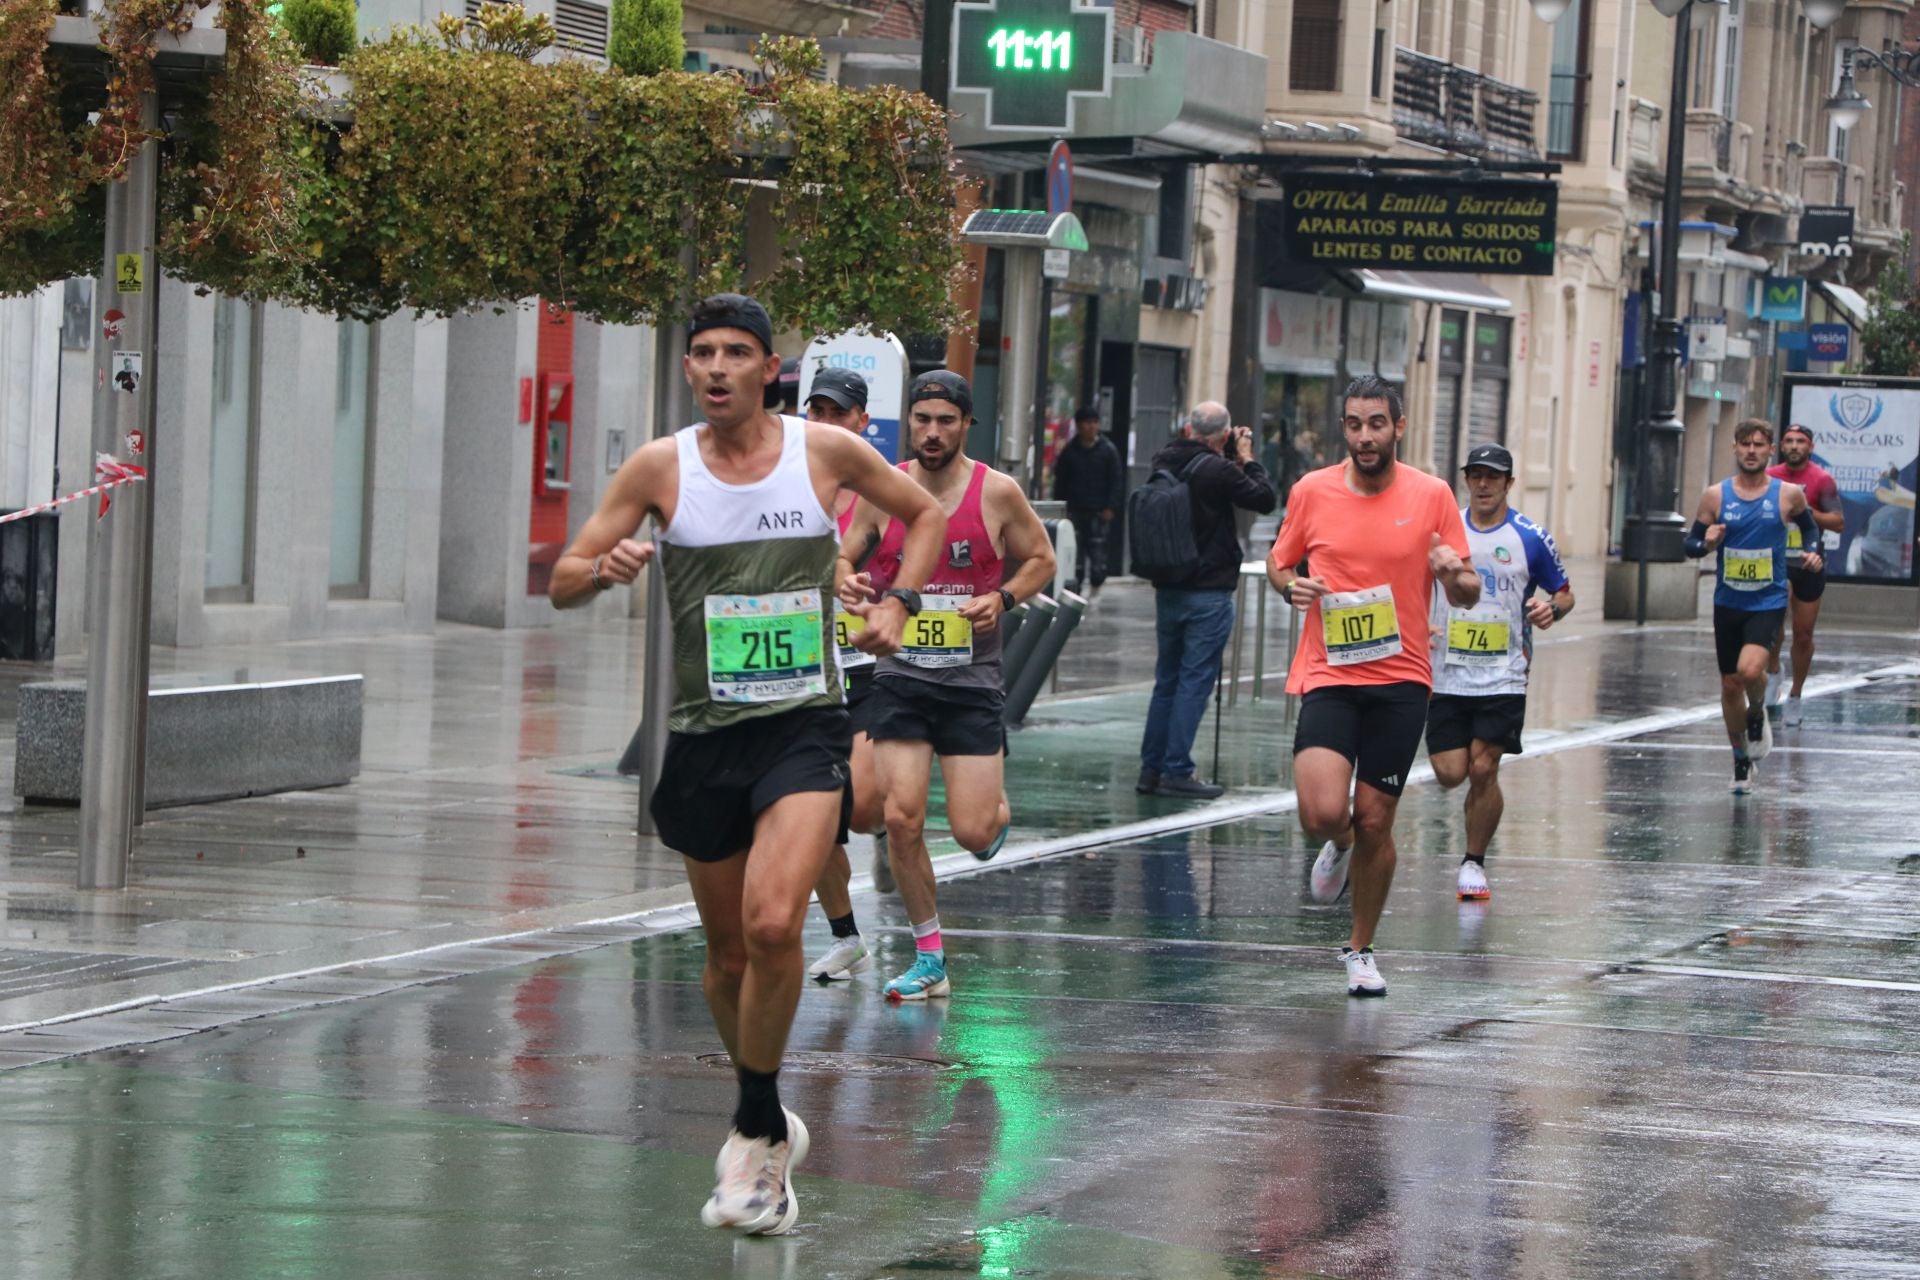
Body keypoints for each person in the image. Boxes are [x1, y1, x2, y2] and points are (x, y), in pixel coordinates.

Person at [550, 294, 944, 1235]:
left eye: (738, 353)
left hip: (804, 726)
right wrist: (598, 572)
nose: (718, 368)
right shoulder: (660, 466)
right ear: (687, 370)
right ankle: (765, 1112)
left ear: (771, 368)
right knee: (725, 959)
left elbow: (921, 515)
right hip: (704, 735)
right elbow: (564, 575)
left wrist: (898, 601)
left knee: (775, 925)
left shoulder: (825, 451)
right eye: (702, 355)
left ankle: (755, 1133)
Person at [841, 370, 1057, 1001]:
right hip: (900, 677)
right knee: (900, 817)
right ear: (910, 422)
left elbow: (1042, 559)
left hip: (970, 681)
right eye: (922, 419)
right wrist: (846, 583)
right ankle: (930, 957)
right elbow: (844, 554)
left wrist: (1004, 596)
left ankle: (995, 815)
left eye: (946, 421)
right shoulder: (886, 487)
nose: (933, 432)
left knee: (972, 832)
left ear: (966, 425)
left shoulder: (998, 493)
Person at [1267, 375, 1478, 997]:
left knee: (1377, 819)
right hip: (1330, 672)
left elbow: (1466, 592)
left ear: (1399, 427)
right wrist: (1291, 588)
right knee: (1326, 811)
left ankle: (1359, 949)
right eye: (1355, 424)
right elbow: (1282, 564)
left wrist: (1451, 574)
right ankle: (1337, 844)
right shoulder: (1312, 491)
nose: (1365, 436)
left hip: (1402, 677)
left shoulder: (1433, 495)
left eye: (1376, 424)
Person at [1424, 445, 1575, 901]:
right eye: (1476, 476)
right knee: (1451, 772)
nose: (1484, 485)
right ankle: (1473, 844)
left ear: (1509, 483)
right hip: (1446, 670)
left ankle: (1473, 862)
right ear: (1466, 480)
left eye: (1494, 477)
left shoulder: (1530, 536)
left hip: (1504, 672)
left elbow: (1565, 594)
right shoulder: (1440, 534)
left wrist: (1550, 609)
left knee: (1484, 766)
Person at [800, 368, 894, 982]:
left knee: (859, 811)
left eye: (839, 414)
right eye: (818, 412)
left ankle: (891, 806)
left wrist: (889, 597)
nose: (826, 424)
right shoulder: (779, 484)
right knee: (811, 821)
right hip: (800, 673)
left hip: (866, 669)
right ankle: (846, 937)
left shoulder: (881, 491)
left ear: (863, 422)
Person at [1135, 402, 1276, 799]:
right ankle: (1177, 769)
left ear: (1188, 429)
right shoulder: (1217, 470)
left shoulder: (1164, 461)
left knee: (1167, 681)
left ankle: (1151, 769)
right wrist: (1246, 458)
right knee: (1194, 682)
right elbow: (1264, 497)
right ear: (1223, 436)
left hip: (1169, 587)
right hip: (1208, 591)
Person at [1683, 418, 1824, 794]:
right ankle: (1740, 760)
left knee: (1750, 670)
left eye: (1759, 445)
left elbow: (1810, 530)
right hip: (1728, 601)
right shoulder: (1715, 496)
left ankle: (1758, 707)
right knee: (1730, 684)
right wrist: (1707, 543)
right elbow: (1690, 545)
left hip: (1768, 599)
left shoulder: (1788, 494)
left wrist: (1811, 552)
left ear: (1769, 451)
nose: (1751, 451)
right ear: (1734, 449)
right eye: (1745, 444)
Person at [1764, 423, 1845, 727]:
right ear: (1781, 447)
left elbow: (1838, 522)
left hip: (1809, 563)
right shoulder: (1770, 477)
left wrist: (1805, 512)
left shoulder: (1822, 480)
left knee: (1803, 634)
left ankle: (1795, 695)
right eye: (1789, 441)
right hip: (1775, 560)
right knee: (1772, 623)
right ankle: (1773, 672)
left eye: (1801, 441)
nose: (1794, 446)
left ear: (1811, 447)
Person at [1052, 405, 1125, 596]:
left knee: (1098, 553)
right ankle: (1075, 593)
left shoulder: (1108, 451)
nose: (1091, 427)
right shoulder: (1069, 451)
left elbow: (1116, 480)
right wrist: (1062, 508)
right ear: (1079, 425)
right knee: (1074, 555)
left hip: (1098, 510)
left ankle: (1096, 589)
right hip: (1075, 509)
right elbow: (1061, 481)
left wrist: (1111, 506)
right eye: (1087, 423)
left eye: (1094, 423)